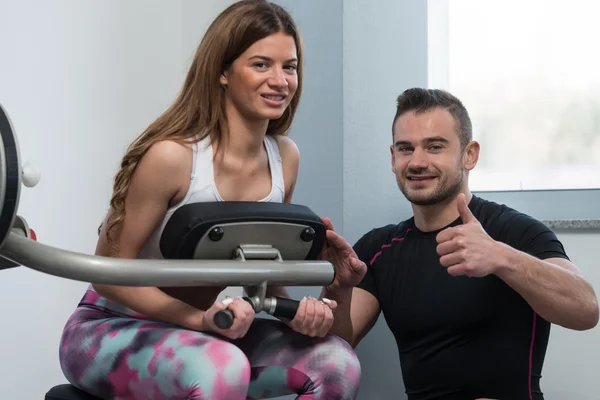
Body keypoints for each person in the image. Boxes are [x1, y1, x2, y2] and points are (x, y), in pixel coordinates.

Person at [57, 1, 361, 399]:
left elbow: (262, 273)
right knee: (223, 368)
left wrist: (300, 312)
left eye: (289, 66)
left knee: (336, 363)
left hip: (204, 330)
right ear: (222, 71)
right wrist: (200, 319)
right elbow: (106, 275)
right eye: (260, 64)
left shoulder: (284, 158)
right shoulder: (173, 157)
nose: (280, 80)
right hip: (108, 328)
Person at [318, 88, 599, 400]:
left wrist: (501, 258)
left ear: (470, 154)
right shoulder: (379, 248)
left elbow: (586, 310)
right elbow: (336, 348)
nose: (417, 162)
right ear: (393, 157)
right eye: (405, 149)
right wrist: (337, 292)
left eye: (435, 147)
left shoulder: (514, 232)